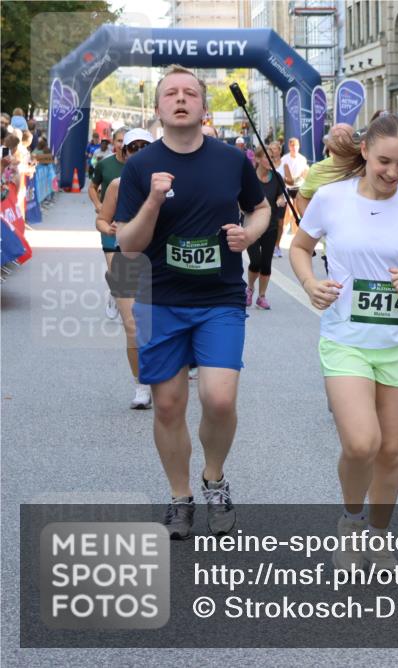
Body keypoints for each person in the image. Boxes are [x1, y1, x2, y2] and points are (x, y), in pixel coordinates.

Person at [289, 113, 398, 572]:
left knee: (391, 450)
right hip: (346, 339)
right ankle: (351, 521)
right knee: (362, 443)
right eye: (384, 161)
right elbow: (299, 247)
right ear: (364, 151)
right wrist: (310, 283)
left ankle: (380, 535)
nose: (393, 173)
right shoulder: (330, 198)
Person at [114, 64, 270, 540]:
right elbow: (128, 246)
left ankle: (214, 478)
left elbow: (260, 207)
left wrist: (250, 234)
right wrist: (154, 202)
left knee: (219, 399)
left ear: (204, 108)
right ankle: (180, 496)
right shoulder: (140, 167)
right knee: (167, 406)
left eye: (190, 93)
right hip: (161, 300)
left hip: (219, 297)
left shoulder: (231, 160)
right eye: (170, 94)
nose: (180, 99)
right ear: (159, 108)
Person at [95, 128, 154, 409]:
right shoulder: (118, 185)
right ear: (124, 152)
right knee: (132, 326)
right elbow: (102, 220)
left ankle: (164, 375)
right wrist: (108, 227)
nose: (140, 152)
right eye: (134, 148)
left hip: (161, 261)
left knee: (161, 325)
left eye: (146, 147)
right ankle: (141, 385)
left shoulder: (168, 182)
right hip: (126, 258)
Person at [90, 127, 128, 320]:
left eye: (125, 141)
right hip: (109, 223)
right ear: (113, 143)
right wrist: (98, 204)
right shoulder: (105, 165)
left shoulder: (139, 166)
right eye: (119, 141)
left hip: (130, 224)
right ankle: (116, 295)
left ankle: (123, 300)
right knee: (115, 268)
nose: (122, 144)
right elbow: (92, 187)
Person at [246, 147, 284, 309]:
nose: (271, 161)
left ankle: (261, 296)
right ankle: (249, 288)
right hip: (252, 225)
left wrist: (281, 201)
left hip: (271, 225)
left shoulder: (277, 177)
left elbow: (282, 196)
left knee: (266, 263)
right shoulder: (249, 178)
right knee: (255, 261)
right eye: (267, 158)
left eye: (273, 158)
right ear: (258, 159)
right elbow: (240, 199)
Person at [280, 137, 309, 239]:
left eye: (296, 145)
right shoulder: (284, 159)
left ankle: (295, 235)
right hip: (288, 187)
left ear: (299, 147)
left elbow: (304, 174)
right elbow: (282, 173)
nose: (294, 148)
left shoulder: (302, 159)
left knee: (297, 212)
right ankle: (283, 231)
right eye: (292, 145)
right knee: (289, 210)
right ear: (289, 147)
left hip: (299, 187)